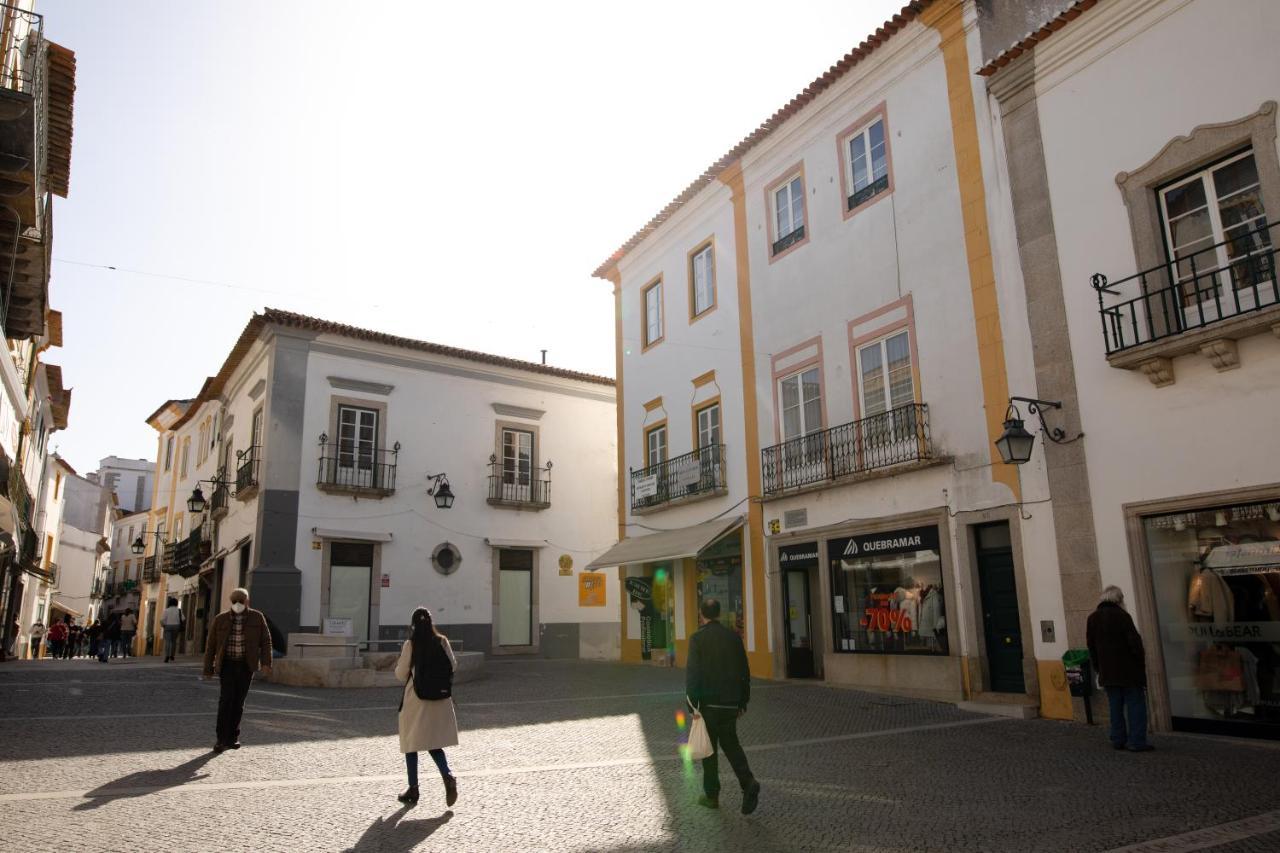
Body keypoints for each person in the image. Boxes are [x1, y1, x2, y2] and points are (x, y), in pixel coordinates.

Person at [686, 598, 760, 815]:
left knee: (709, 751)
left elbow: (693, 675)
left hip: (708, 704)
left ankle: (711, 795)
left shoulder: (697, 639)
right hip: (729, 704)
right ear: (719, 613)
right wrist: (742, 701)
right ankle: (748, 783)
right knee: (732, 746)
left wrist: (692, 706)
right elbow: (744, 671)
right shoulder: (733, 638)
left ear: (702, 614)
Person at [394, 607, 459, 807]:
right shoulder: (442, 641)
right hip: (439, 699)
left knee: (411, 742)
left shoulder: (411, 644)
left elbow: (401, 673)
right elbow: (453, 665)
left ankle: (413, 788)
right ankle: (447, 775)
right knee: (433, 743)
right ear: (431, 623)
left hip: (417, 699)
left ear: (413, 625)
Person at [202, 588, 272, 752]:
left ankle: (233, 737)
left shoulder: (257, 617)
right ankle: (221, 739)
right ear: (230, 602)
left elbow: (266, 641)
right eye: (235, 601)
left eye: (241, 601)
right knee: (226, 700)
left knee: (239, 702)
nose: (238, 604)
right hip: (227, 665)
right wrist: (207, 669)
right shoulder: (220, 619)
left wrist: (266, 663)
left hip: (246, 665)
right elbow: (211, 645)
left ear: (247, 601)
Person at [1087, 585, 1153, 753]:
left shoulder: (1092, 618)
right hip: (1128, 671)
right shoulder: (1123, 616)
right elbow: (1135, 645)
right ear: (1119, 600)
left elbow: (1092, 647)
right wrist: (1140, 664)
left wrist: (1098, 669)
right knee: (1135, 706)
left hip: (1107, 672)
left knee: (1115, 707)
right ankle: (1137, 741)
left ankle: (1118, 738)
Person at [161, 597, 184, 662]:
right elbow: (183, 619)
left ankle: (167, 656)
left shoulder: (166, 610)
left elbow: (162, 620)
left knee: (167, 641)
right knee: (174, 641)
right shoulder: (178, 610)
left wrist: (163, 626)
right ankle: (172, 655)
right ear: (176, 603)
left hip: (168, 626)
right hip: (176, 626)